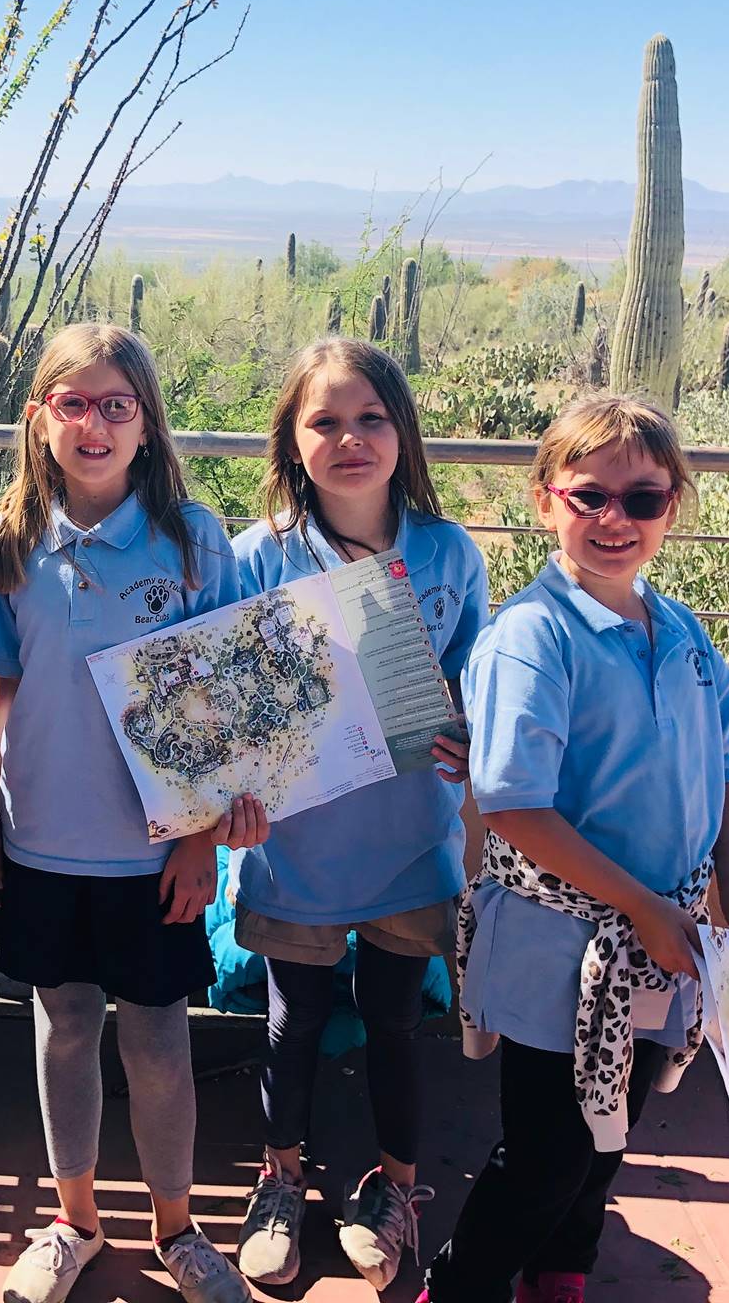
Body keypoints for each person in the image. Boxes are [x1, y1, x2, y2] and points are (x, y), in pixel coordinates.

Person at [420, 394, 729, 1303]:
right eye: (590, 495)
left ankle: (562, 1270)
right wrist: (644, 908)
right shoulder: (530, 639)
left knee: (609, 1134)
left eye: (643, 499)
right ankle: (460, 1286)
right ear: (546, 499)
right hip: (562, 944)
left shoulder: (688, 635)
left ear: (676, 506)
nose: (614, 519)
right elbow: (511, 804)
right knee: (549, 1151)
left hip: (659, 937)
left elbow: (727, 765)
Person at [0, 322, 266, 1303]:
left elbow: (222, 704)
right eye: (74, 403)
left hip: (151, 858)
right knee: (62, 1029)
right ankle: (74, 1221)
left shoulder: (194, 540)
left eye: (116, 405)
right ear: (39, 418)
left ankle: (177, 1230)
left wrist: (196, 841)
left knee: (156, 1042)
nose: (94, 423)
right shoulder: (10, 542)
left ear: (147, 424)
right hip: (41, 846)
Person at [227, 337, 489, 1290]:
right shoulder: (255, 557)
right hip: (294, 843)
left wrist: (470, 738)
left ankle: (397, 1189)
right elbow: (229, 707)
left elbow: (474, 684)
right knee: (290, 1023)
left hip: (412, 840)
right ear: (292, 442)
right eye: (324, 421)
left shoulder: (448, 552)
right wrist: (229, 798)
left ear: (402, 431)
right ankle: (281, 1181)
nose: (349, 438)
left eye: (370, 417)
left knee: (392, 1018)